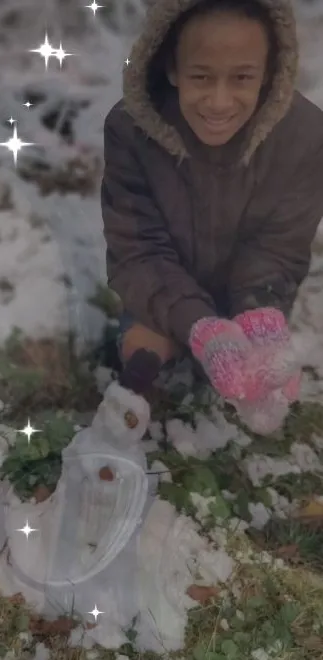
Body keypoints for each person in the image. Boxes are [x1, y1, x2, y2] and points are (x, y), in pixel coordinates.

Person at [100, 0, 323, 432]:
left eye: (242, 78)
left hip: (251, 292)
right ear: (171, 70)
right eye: (201, 77)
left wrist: (259, 317)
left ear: (269, 71)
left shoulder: (306, 135)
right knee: (142, 352)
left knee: (255, 370)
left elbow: (279, 245)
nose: (219, 102)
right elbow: (139, 249)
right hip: (162, 291)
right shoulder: (130, 130)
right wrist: (202, 327)